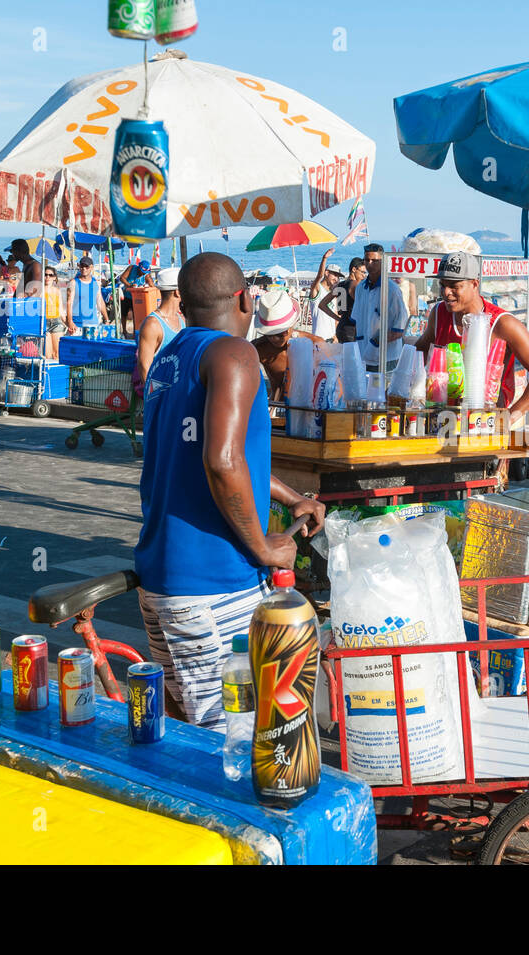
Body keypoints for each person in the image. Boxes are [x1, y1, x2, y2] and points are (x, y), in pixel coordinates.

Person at [134, 252, 324, 728]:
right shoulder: (235, 354)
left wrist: (290, 497)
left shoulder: (169, 358)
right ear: (244, 299)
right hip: (212, 585)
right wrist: (264, 547)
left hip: (162, 580)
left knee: (180, 733)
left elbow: (207, 456)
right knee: (230, 738)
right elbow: (221, 462)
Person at [414, 251, 529, 424]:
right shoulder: (438, 313)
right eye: (442, 284)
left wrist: (512, 416)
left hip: (486, 424)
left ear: (475, 284)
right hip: (443, 421)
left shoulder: (502, 323)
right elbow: (419, 352)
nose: (446, 292)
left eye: (454, 286)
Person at [250, 287, 323, 402]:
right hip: (279, 406)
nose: (274, 339)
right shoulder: (258, 348)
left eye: (280, 333)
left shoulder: (315, 344)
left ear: (292, 326)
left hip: (311, 410)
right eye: (269, 334)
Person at [350, 244, 408, 368]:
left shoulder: (392, 290)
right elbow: (357, 321)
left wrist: (375, 343)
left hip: (387, 358)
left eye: (375, 261)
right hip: (363, 356)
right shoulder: (360, 287)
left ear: (383, 262)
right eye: (367, 260)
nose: (370, 264)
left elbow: (400, 328)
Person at [134, 266, 183, 396]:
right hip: (162, 396)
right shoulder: (153, 324)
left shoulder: (182, 318)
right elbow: (144, 366)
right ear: (177, 292)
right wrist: (155, 400)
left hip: (177, 393)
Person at [68, 256, 108, 330]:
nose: (84, 269)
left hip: (93, 323)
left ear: (91, 267)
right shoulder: (74, 282)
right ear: (79, 266)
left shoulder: (96, 283)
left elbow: (100, 302)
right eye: (82, 266)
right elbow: (69, 303)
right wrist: (70, 321)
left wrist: (106, 319)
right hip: (77, 324)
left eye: (86, 266)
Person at [43, 265, 73, 358]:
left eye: (50, 275)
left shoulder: (57, 291)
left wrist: (68, 324)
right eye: (45, 274)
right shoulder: (39, 290)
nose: (47, 277)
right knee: (47, 355)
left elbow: (60, 310)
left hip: (57, 321)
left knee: (57, 354)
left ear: (54, 277)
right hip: (44, 322)